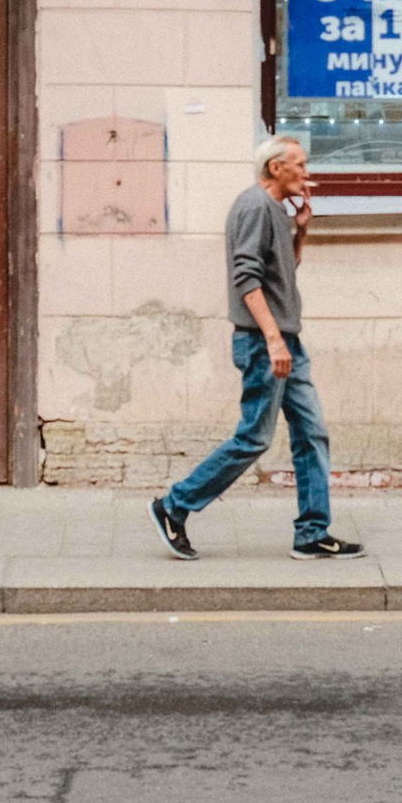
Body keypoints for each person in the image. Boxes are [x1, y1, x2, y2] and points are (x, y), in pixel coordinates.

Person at [150, 136, 364, 561]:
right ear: (275, 169)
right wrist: (272, 339)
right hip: (266, 342)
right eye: (299, 165)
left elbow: (281, 274)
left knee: (311, 432)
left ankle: (312, 532)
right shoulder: (253, 208)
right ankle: (174, 506)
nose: (307, 172)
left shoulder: (277, 212)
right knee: (254, 438)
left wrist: (301, 231)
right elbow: (245, 280)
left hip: (286, 342)